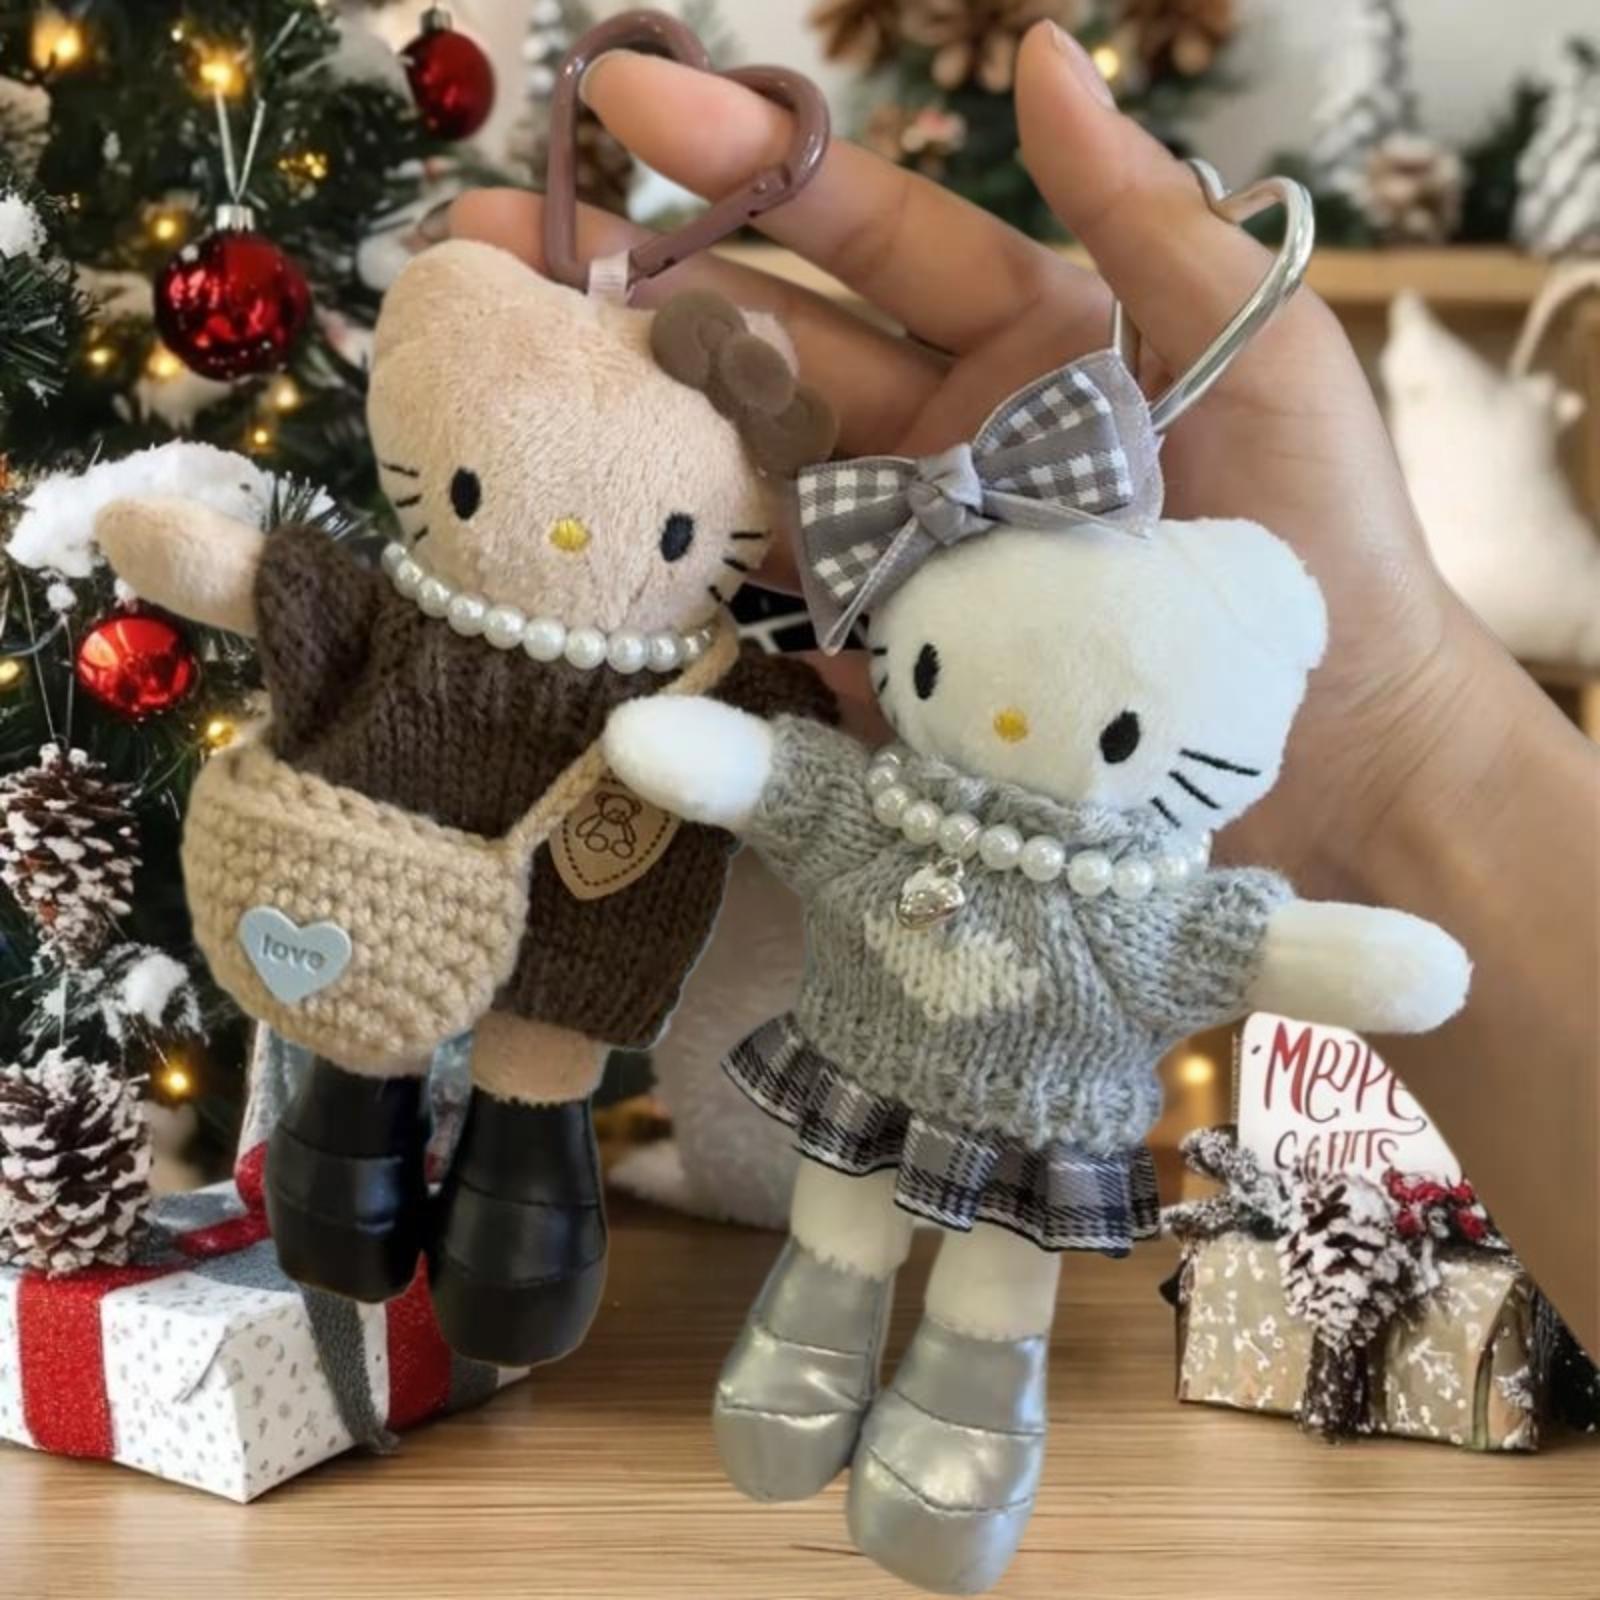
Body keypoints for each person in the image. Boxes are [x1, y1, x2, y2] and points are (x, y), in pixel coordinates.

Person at [449, 21, 1599, 1353]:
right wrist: (1413, 782)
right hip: (862, 1052)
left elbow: (1242, 938)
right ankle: (813, 1359)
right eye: (931, 663)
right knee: (835, 1237)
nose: (994, 720)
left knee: (992, 1293)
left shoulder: (1148, 840)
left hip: (1047, 1116)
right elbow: (790, 784)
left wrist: (1402, 775)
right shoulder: (900, 789)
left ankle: (975, 1398)